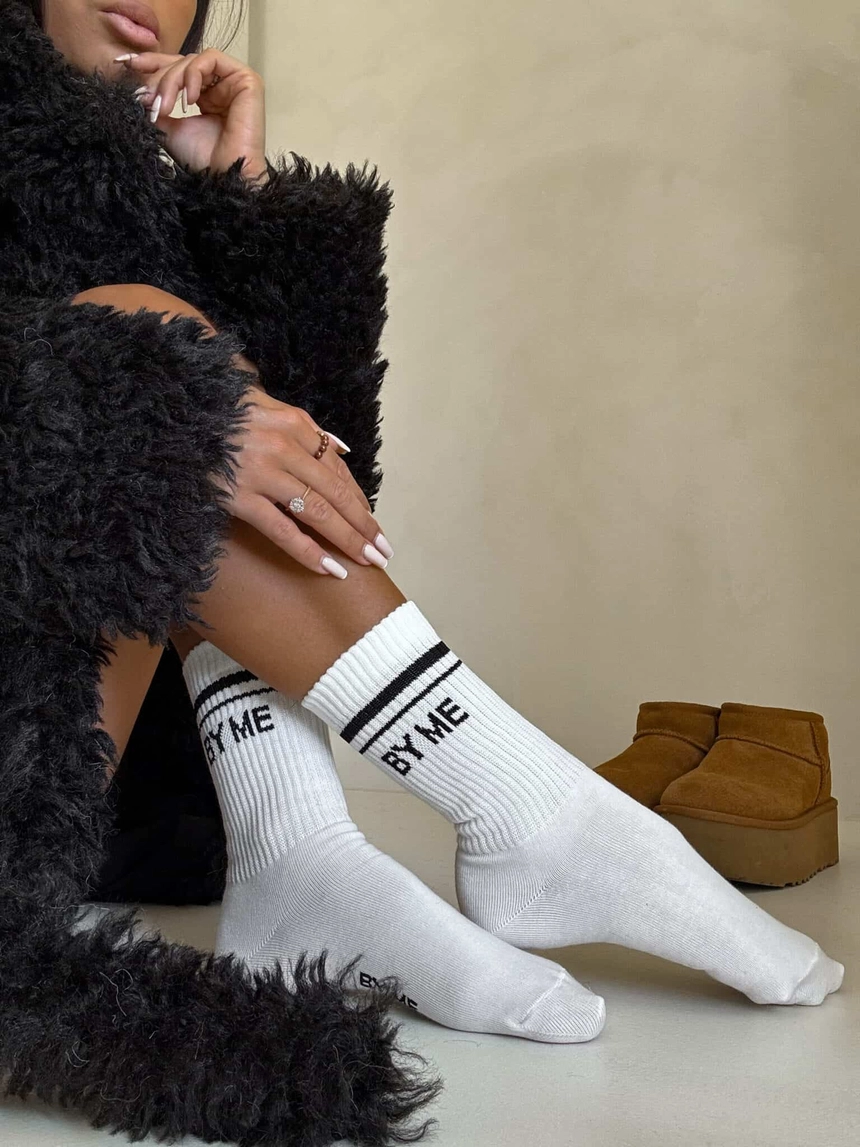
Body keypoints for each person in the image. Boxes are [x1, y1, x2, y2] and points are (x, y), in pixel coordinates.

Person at [0, 2, 843, 1144]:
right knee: (138, 360)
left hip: (86, 784)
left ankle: (298, 849)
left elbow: (309, 451)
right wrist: (133, 382)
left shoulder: (107, 182)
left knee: (169, 375)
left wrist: (236, 203)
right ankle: (524, 808)